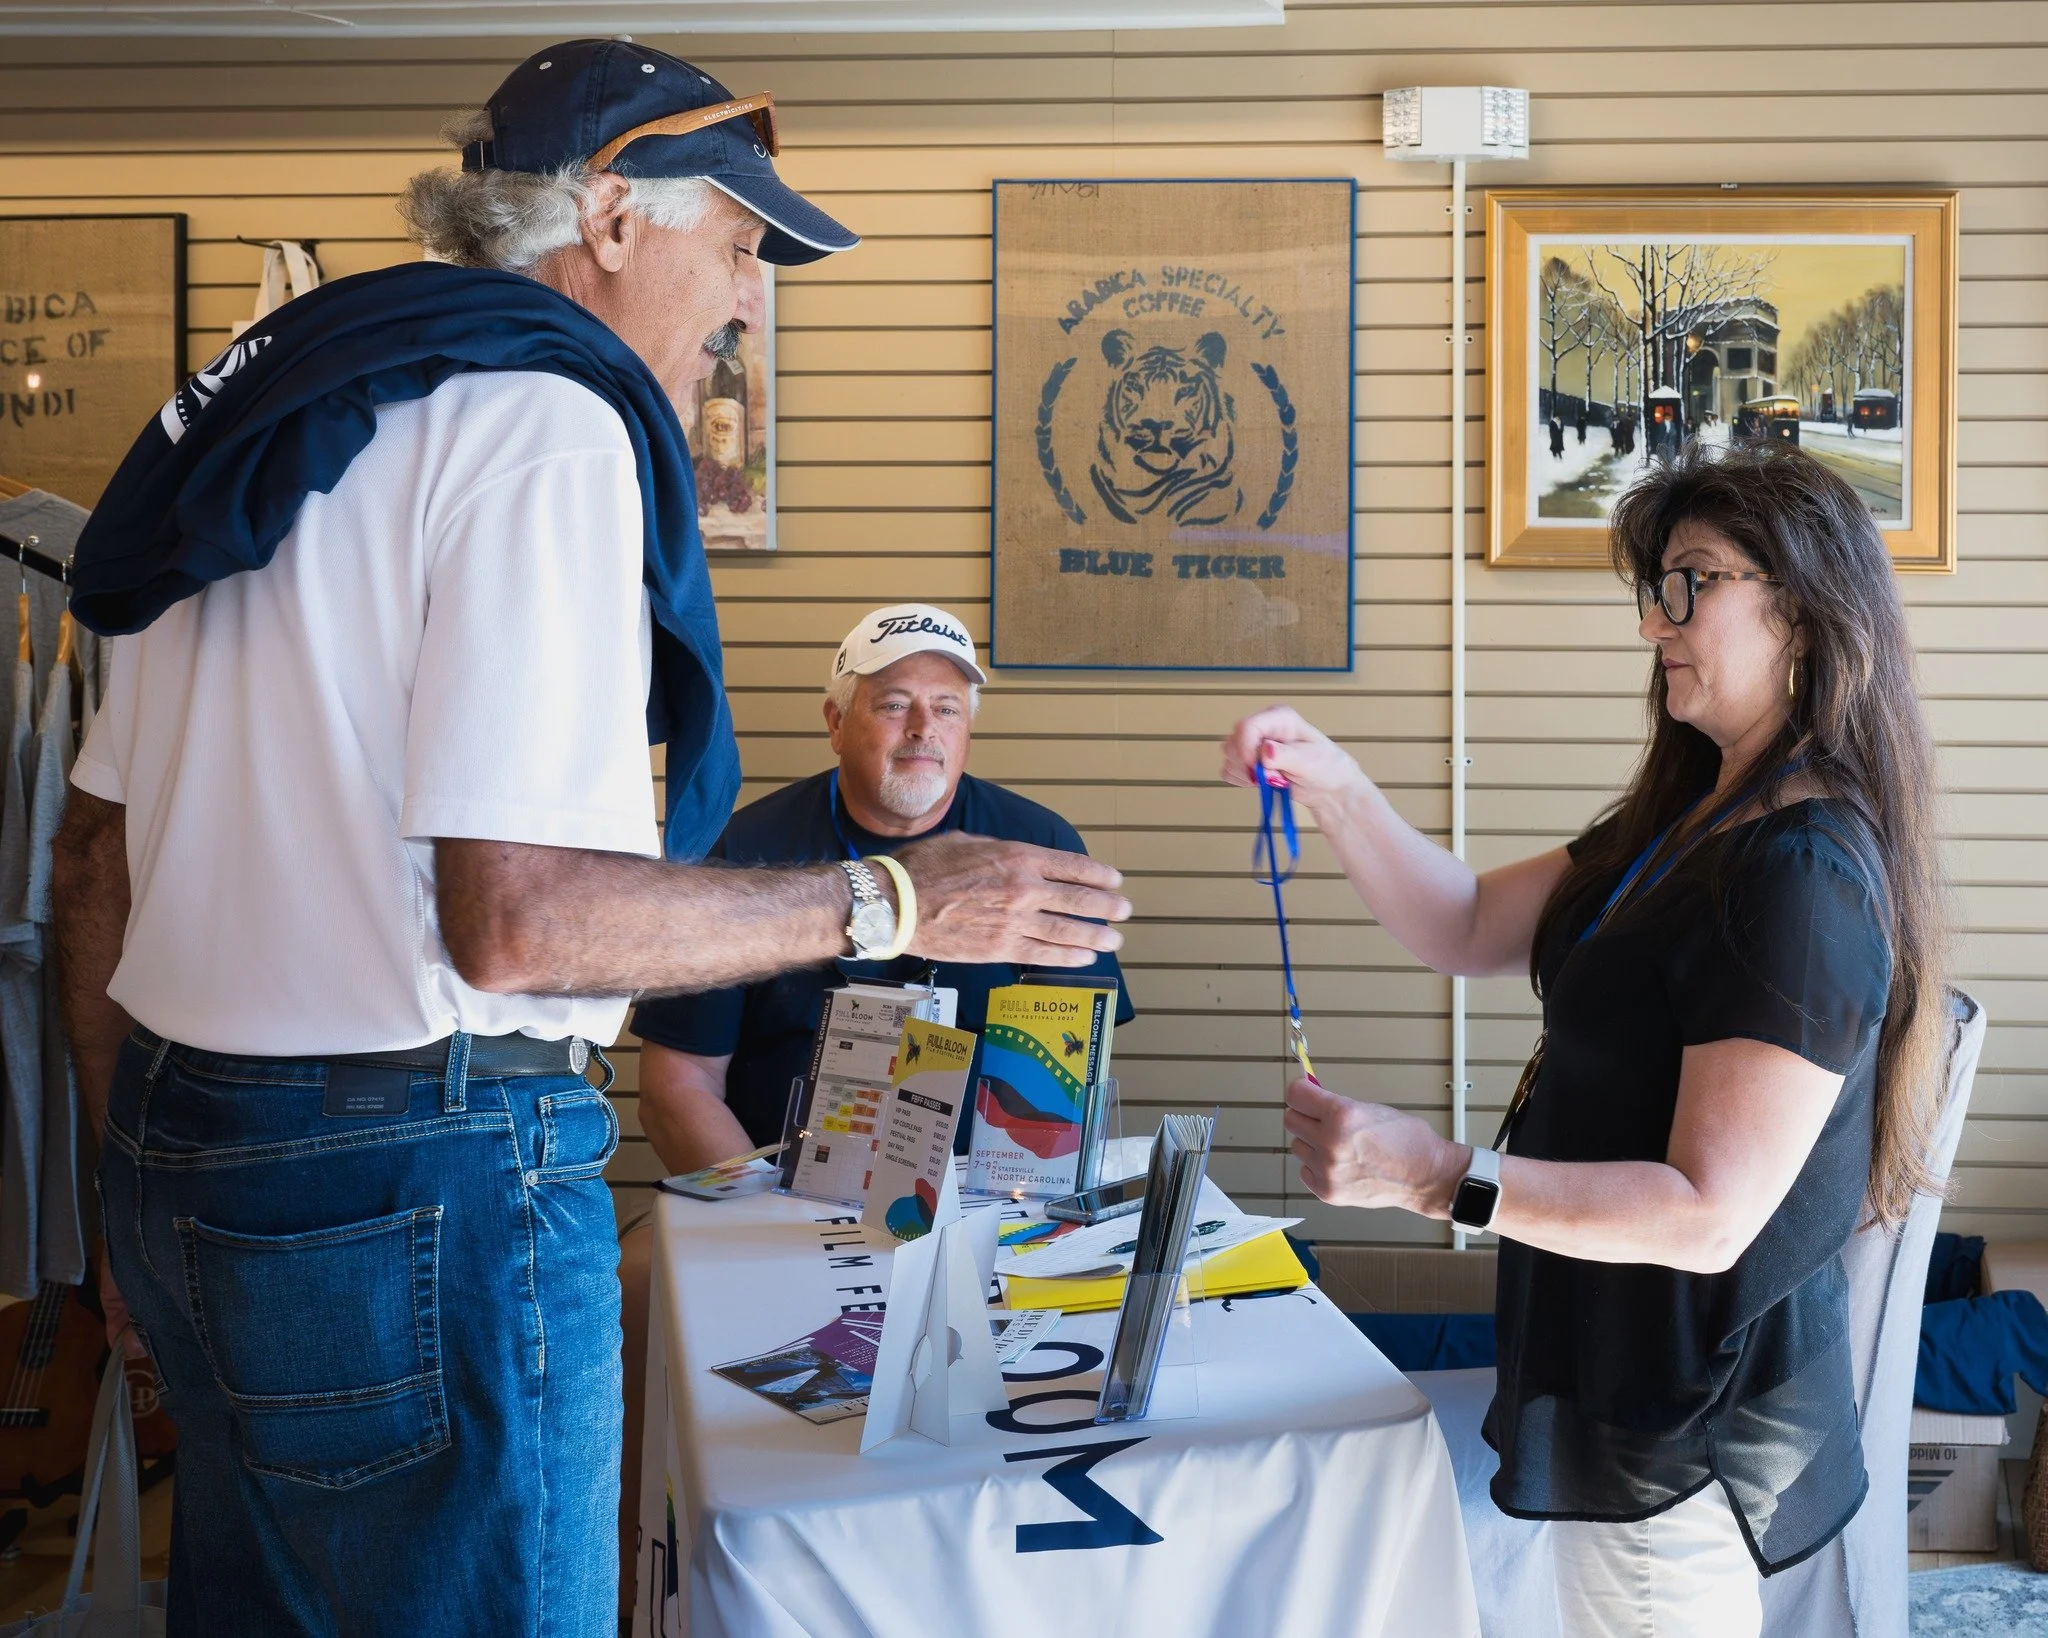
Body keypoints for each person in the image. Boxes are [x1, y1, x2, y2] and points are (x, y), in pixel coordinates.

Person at [49, 40, 1131, 1638]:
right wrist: (899, 896)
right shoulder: (543, 417)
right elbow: (523, 924)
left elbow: (90, 860)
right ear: (612, 217)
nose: (752, 299)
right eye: (745, 245)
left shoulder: (274, 413)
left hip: (177, 1142)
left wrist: (118, 1184)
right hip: (423, 1166)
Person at [1222, 445, 1947, 1638]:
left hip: (1676, 1409)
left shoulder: (1798, 875)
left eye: (1691, 584)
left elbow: (1707, 1212)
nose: (1655, 623)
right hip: (1617, 1373)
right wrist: (1334, 784)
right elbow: (1460, 924)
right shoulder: (1686, 820)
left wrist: (1426, 1175)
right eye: (1654, 587)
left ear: (1804, 613)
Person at [628, 601, 1135, 1169]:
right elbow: (678, 1085)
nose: (923, 729)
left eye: (947, 708)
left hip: (987, 1198)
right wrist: (765, 1226)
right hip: (783, 1194)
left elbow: (1069, 1068)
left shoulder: (1036, 848)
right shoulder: (744, 852)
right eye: (895, 705)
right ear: (836, 724)